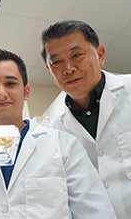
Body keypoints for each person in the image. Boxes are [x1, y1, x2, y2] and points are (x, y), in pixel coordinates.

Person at [0, 48, 116, 218]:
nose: (0, 93)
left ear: (26, 92)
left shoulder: (63, 145)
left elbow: (96, 211)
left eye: (10, 83)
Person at [40, 19, 131, 219]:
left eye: (77, 55)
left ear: (100, 54)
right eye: (57, 62)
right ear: (49, 70)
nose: (68, 68)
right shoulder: (55, 134)